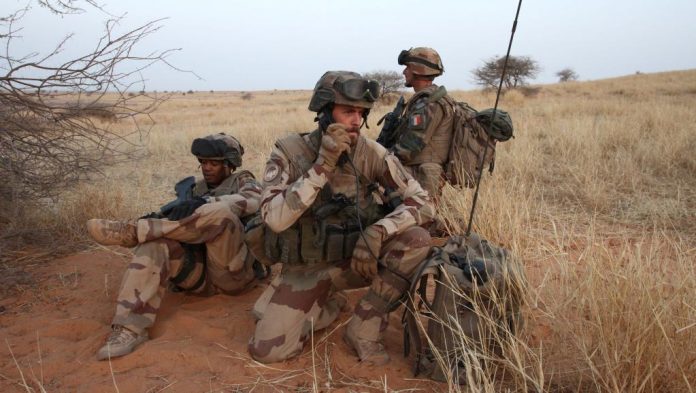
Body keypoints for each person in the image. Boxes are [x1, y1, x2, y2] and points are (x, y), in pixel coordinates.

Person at [247, 71, 435, 366]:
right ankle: (325, 305)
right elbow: (274, 218)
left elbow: (422, 202)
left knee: (417, 240)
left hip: (357, 260)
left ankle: (364, 328)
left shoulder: (371, 152)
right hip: (307, 268)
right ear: (323, 113)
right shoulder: (290, 151)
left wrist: (379, 231)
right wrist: (323, 165)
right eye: (348, 111)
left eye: (361, 112)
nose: (356, 121)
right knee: (267, 351)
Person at [86, 133, 264, 360]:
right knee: (154, 243)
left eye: (214, 163)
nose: (206, 168)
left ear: (230, 164)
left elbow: (253, 202)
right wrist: (166, 215)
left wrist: (205, 203)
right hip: (200, 276)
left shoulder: (243, 181)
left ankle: (134, 231)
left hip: (234, 273)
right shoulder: (194, 190)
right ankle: (129, 329)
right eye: (202, 162)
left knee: (219, 212)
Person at [385, 47, 455, 201]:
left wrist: (381, 160)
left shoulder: (429, 104)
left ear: (418, 70)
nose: (404, 72)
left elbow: (410, 146)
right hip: (418, 174)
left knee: (421, 221)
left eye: (407, 67)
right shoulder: (429, 99)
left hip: (421, 177)